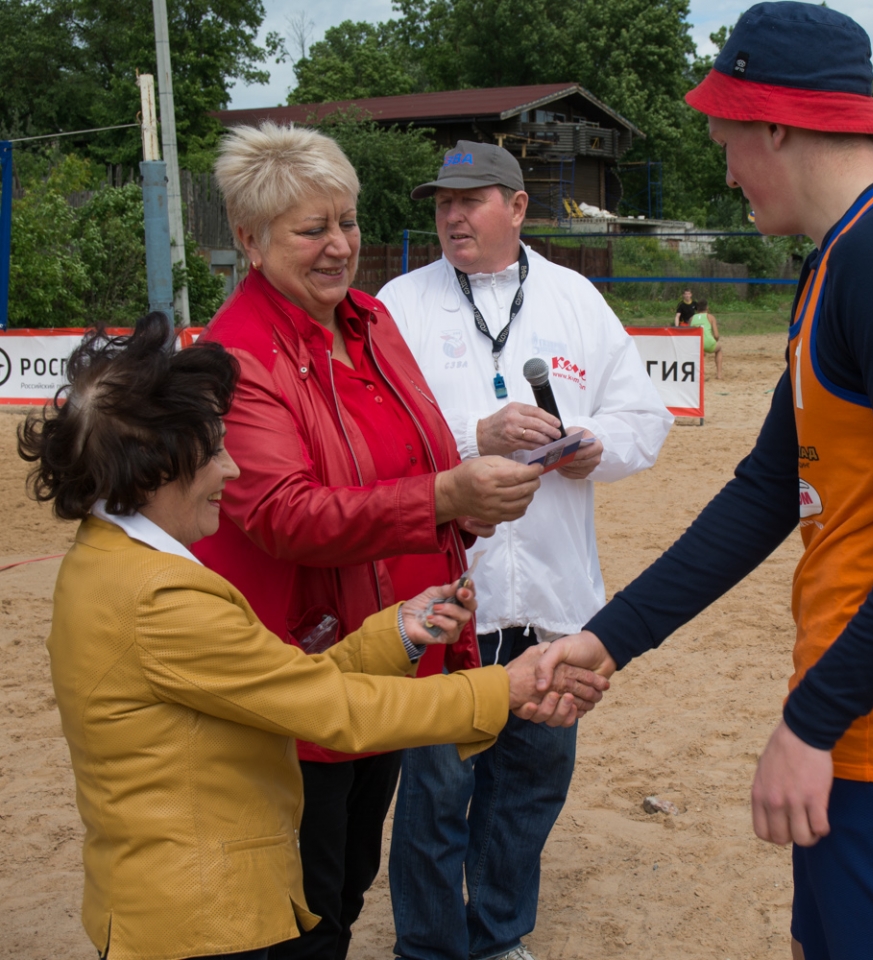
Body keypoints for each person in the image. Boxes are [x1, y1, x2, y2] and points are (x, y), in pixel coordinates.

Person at [536, 4, 873, 959]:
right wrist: (611, 639)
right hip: (871, 705)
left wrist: (812, 721)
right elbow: (768, 488)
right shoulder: (840, 261)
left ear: (775, 123)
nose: (724, 168)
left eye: (726, 138)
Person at [19, 315, 590, 960]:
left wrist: (394, 633)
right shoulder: (161, 598)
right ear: (154, 469)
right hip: (200, 919)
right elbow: (330, 710)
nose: (232, 470)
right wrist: (499, 688)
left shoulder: (107, 560)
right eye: (211, 452)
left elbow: (277, 680)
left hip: (170, 904)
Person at [191, 123, 607, 960]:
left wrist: (456, 514)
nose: (340, 245)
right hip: (294, 667)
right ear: (248, 238)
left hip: (383, 648)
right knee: (302, 899)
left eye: (346, 220)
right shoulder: (237, 356)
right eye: (313, 229)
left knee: (345, 879)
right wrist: (445, 495)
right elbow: (285, 514)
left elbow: (414, 457)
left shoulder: (370, 321)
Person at [376, 140, 673, 960]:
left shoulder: (577, 299)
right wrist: (474, 433)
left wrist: (591, 445)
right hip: (445, 596)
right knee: (436, 793)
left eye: (471, 200)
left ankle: (498, 936)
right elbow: (371, 440)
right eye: (442, 201)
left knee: (532, 784)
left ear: (517, 208)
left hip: (553, 601)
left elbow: (645, 423)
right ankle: (430, 950)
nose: (452, 215)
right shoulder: (396, 305)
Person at [689, 299, 723, 379]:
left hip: (696, 344)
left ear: (697, 309)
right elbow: (716, 335)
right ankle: (719, 375)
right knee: (719, 349)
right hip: (708, 343)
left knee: (698, 354)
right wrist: (715, 341)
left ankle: (696, 374)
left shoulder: (691, 318)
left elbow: (689, 334)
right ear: (707, 308)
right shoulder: (710, 317)